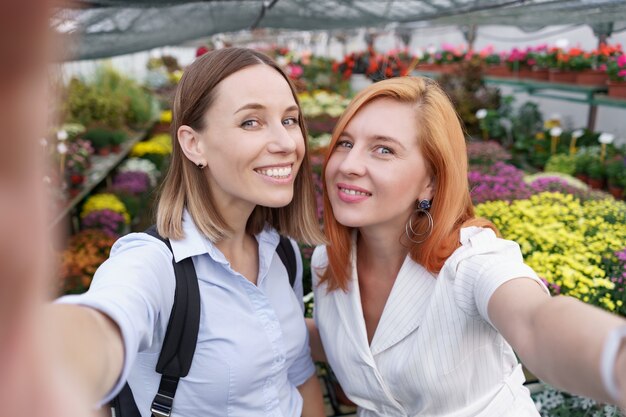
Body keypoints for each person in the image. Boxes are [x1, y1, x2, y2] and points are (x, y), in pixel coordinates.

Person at [7, 46, 328, 417]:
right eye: (251, 122)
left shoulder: (282, 254)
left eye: (289, 120)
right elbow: (105, 322)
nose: (286, 143)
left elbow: (298, 379)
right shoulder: (154, 263)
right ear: (194, 144)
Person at [308, 76, 626, 416]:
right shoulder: (328, 261)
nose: (347, 165)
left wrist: (615, 361)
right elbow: (354, 348)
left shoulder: (470, 261)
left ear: (430, 181)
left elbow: (535, 322)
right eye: (343, 143)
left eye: (383, 149)